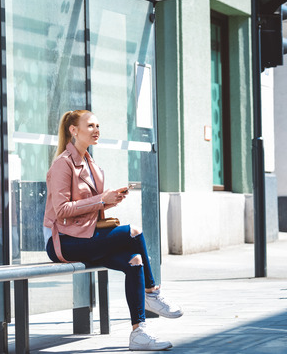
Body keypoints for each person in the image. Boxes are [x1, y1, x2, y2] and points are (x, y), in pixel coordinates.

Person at [44, 109, 183, 351]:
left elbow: (90, 207)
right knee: (134, 232)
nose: (96, 130)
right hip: (64, 242)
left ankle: (139, 333)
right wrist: (100, 200)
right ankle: (152, 292)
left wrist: (108, 201)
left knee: (134, 261)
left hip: (86, 236)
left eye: (98, 125)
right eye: (90, 126)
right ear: (73, 130)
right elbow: (62, 210)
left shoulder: (91, 163)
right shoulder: (62, 164)